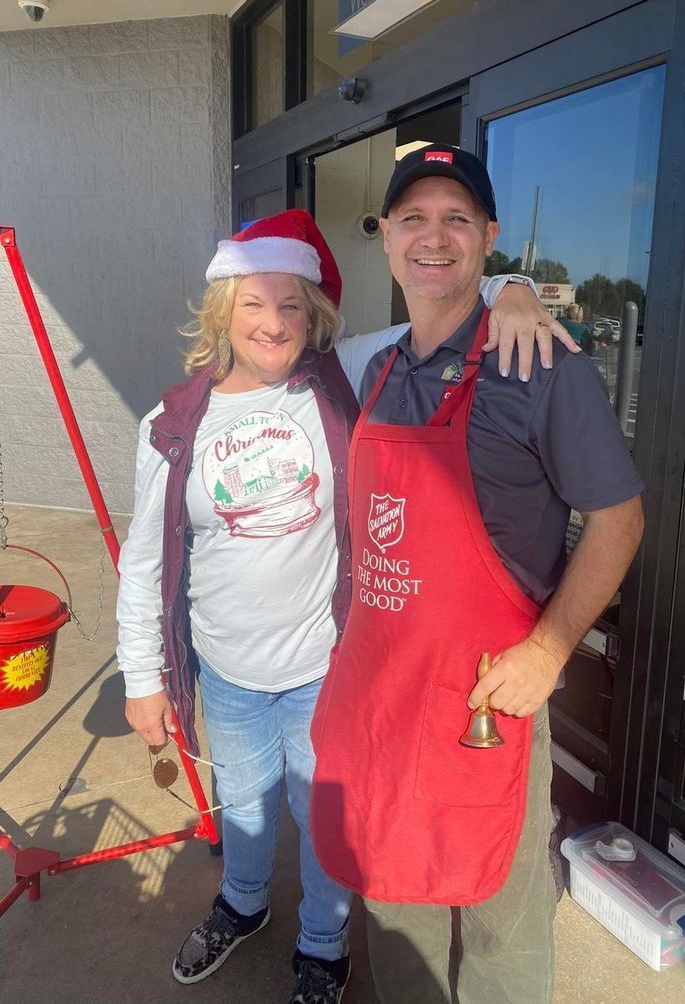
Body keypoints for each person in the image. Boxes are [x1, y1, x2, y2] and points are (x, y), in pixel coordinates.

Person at [115, 208, 573, 1004]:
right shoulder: (170, 424)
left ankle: (324, 943)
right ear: (223, 312)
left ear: (314, 318)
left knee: (329, 819)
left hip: (325, 669)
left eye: (291, 305)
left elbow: (441, 298)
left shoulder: (344, 375)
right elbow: (145, 562)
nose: (273, 322)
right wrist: (142, 677)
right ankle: (244, 904)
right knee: (248, 808)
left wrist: (516, 288)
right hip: (227, 671)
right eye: (254, 303)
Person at [309, 147, 646, 1004]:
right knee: (394, 900)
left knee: (499, 913)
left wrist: (550, 649)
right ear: (385, 238)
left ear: (489, 238)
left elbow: (620, 518)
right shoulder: (371, 366)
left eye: (457, 219)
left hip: (484, 704)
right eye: (413, 218)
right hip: (383, 698)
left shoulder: (542, 369)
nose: (433, 237)